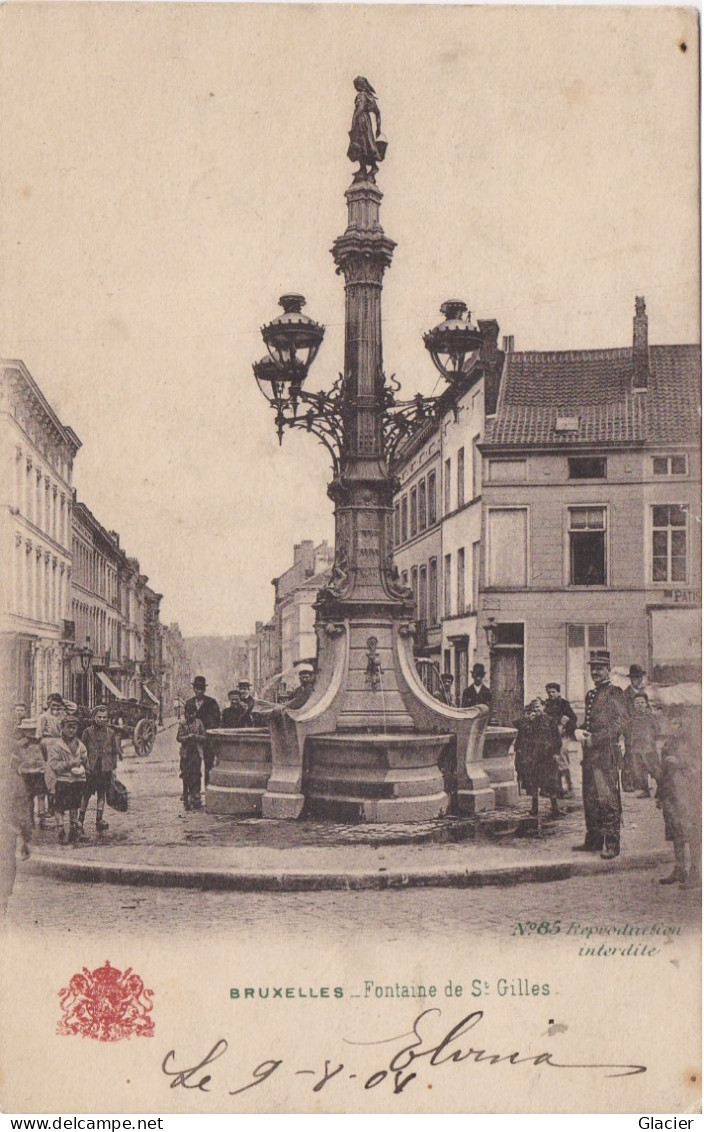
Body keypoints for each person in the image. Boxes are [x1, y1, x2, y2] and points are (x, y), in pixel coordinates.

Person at [573, 650, 627, 859]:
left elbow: (620, 724)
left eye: (599, 668)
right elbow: (590, 722)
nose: (595, 671)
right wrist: (579, 730)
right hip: (589, 756)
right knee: (590, 798)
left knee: (608, 799)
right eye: (592, 668)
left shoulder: (615, 693)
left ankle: (612, 843)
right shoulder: (591, 694)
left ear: (608, 670)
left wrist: (595, 739)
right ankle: (594, 840)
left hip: (606, 755)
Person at [653, 707, 701, 888]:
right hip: (671, 793)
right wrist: (660, 794)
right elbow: (663, 771)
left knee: (693, 832)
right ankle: (680, 868)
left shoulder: (696, 742)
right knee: (675, 831)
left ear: (685, 723)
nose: (672, 725)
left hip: (690, 794)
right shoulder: (669, 743)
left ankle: (696, 873)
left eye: (676, 722)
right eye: (671, 721)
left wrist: (680, 763)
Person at [513, 699, 563, 820]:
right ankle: (534, 807)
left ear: (544, 706)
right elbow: (521, 735)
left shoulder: (550, 721)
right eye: (534, 707)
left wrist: (556, 753)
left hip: (548, 756)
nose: (536, 709)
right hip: (533, 756)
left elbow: (557, 739)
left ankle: (555, 807)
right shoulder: (528, 721)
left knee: (551, 781)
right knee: (534, 781)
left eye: (538, 707)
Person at [42, 715, 88, 845]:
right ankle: (60, 829)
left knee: (74, 804)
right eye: (68, 727)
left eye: (74, 727)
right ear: (61, 728)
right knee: (60, 806)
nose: (72, 730)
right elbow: (54, 765)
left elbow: (85, 759)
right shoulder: (57, 746)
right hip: (63, 780)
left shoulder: (80, 745)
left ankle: (74, 830)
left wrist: (84, 763)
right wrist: (71, 763)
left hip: (78, 779)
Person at [78, 704, 121, 835]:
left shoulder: (111, 733)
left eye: (104, 717)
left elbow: (114, 752)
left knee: (102, 794)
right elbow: (82, 749)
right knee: (85, 795)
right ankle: (80, 820)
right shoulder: (87, 732)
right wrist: (84, 766)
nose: (102, 719)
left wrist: (113, 770)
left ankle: (99, 819)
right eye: (99, 717)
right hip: (91, 768)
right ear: (93, 717)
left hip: (105, 768)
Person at [347, 76, 385, 181]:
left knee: (362, 145)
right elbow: (378, 113)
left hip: (361, 122)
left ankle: (371, 168)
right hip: (364, 122)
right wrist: (378, 128)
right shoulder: (370, 97)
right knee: (362, 146)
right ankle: (363, 169)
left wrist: (354, 120)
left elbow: (361, 108)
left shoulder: (362, 95)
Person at [184, 677, 221, 787]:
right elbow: (186, 721)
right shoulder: (189, 703)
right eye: (197, 688)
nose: (199, 691)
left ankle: (208, 788)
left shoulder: (212, 702)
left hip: (207, 739)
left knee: (209, 765)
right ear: (194, 689)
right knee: (194, 767)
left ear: (204, 690)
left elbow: (217, 720)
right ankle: (196, 792)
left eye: (201, 689)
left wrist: (208, 731)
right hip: (193, 741)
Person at [543, 682, 577, 797]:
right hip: (551, 735)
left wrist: (565, 727)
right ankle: (557, 788)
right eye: (549, 692)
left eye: (553, 692)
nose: (551, 694)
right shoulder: (546, 704)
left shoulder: (564, 704)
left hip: (563, 735)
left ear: (558, 692)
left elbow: (573, 718)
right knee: (552, 759)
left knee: (562, 756)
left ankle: (570, 787)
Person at [623, 691, 657, 799]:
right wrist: (630, 741)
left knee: (654, 769)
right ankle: (643, 790)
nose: (639, 705)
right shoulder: (631, 719)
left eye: (642, 702)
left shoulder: (651, 718)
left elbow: (657, 730)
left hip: (649, 748)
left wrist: (650, 738)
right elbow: (626, 731)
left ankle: (662, 789)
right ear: (633, 705)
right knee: (638, 770)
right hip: (636, 748)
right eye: (637, 703)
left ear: (646, 704)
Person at [622, 664, 648, 792]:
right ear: (631, 679)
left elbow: (647, 710)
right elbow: (623, 713)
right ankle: (627, 783)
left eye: (640, 677)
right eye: (636, 678)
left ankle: (641, 783)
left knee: (642, 755)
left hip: (642, 729)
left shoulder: (642, 693)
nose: (639, 680)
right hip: (630, 729)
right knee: (629, 755)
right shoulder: (625, 694)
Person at [177, 702, 206, 810]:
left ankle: (196, 793)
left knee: (197, 773)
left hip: (196, 752)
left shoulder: (199, 723)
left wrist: (197, 737)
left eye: (193, 713)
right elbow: (179, 737)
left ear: (195, 713)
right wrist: (187, 737)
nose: (191, 716)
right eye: (189, 714)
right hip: (186, 753)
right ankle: (185, 793)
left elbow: (204, 737)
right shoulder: (183, 724)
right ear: (186, 714)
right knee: (185, 773)